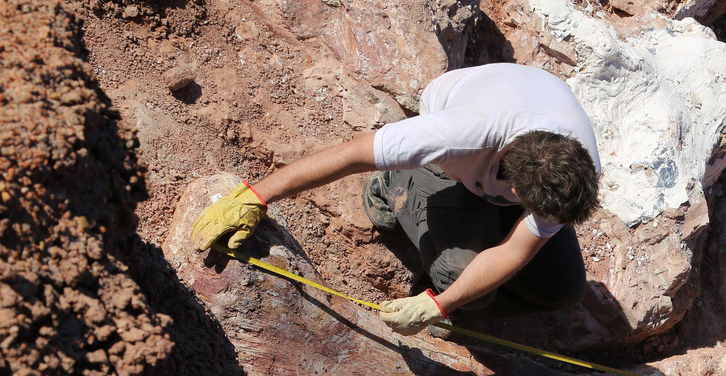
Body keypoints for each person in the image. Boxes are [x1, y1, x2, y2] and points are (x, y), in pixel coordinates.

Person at [190, 63, 601, 335]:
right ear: (512, 180)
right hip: (455, 149)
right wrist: (255, 196)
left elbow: (515, 251)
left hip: (516, 145)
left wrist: (439, 307)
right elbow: (350, 156)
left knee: (562, 288)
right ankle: (393, 187)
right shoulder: (452, 136)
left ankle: (455, 297)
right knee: (462, 276)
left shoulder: (571, 171)